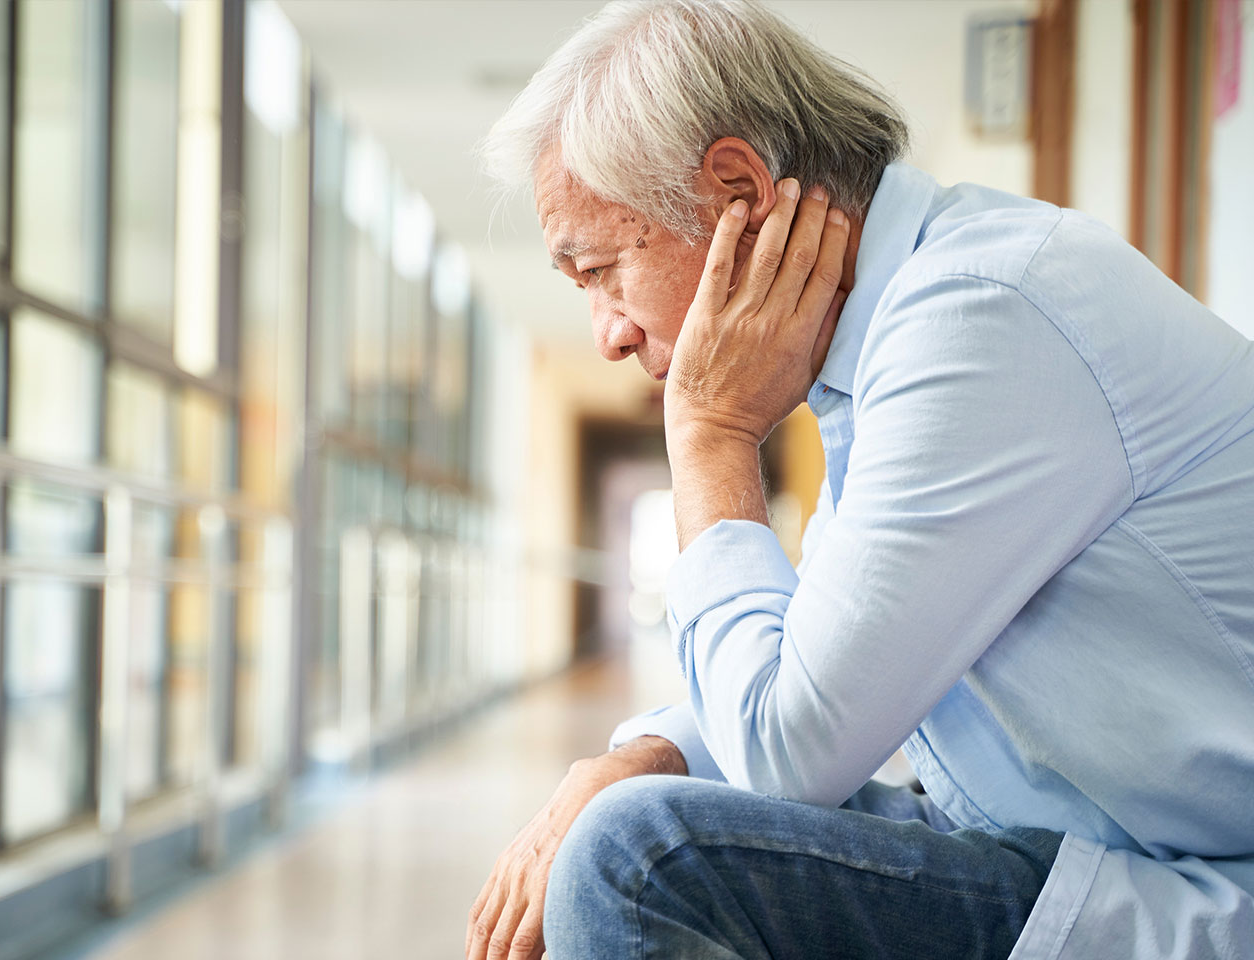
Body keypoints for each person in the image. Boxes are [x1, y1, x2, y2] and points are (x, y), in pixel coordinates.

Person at [463, 1, 1254, 959]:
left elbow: (789, 756)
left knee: (639, 859)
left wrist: (710, 437)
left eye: (597, 271)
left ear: (737, 193)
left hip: (1203, 886)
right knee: (633, 812)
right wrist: (644, 751)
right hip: (1080, 842)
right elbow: (819, 662)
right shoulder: (898, 337)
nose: (610, 332)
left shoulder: (977, 319)